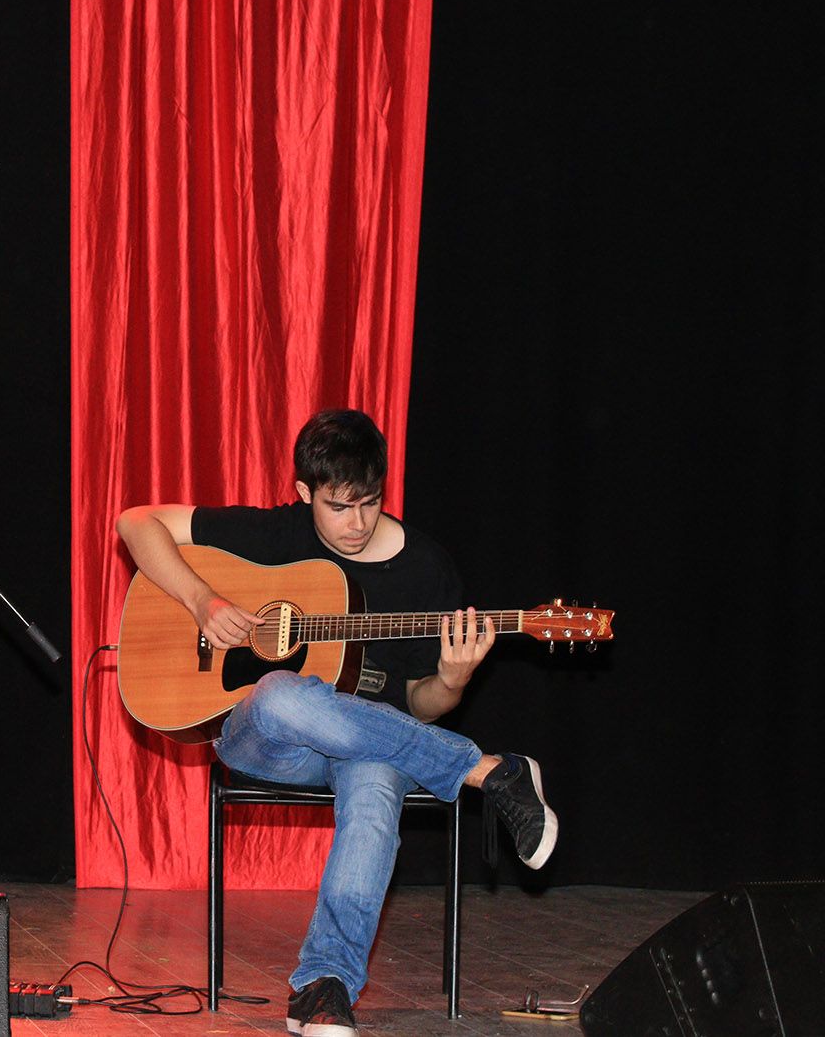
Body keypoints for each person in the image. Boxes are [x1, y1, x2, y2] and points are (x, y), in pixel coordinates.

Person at [116, 409, 555, 1037]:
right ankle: (484, 769)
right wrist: (201, 598)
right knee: (276, 693)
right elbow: (135, 522)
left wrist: (453, 679)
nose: (355, 524)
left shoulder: (426, 570)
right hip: (262, 739)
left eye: (369, 504)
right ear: (304, 494)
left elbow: (420, 702)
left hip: (373, 738)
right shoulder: (279, 534)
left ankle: (323, 985)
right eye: (337, 507)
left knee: (376, 774)